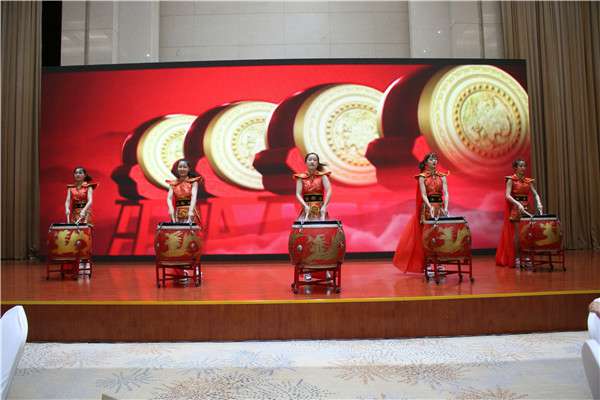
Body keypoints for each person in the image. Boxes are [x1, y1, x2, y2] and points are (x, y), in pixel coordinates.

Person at [392, 153, 449, 274]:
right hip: (428, 209)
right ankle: (427, 263)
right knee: (428, 236)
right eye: (431, 159)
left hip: (440, 208)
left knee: (440, 235)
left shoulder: (442, 176)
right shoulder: (422, 177)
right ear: (426, 162)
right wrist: (429, 206)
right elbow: (423, 194)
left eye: (435, 159)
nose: (434, 161)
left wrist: (446, 207)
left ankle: (439, 263)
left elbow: (446, 193)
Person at [496, 158, 543, 267]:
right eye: (521, 166)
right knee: (517, 235)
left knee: (527, 233)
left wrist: (539, 202)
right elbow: (507, 195)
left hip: (527, 208)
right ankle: (517, 258)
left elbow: (535, 194)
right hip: (516, 208)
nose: (523, 168)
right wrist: (518, 204)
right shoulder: (511, 180)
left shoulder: (528, 181)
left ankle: (526, 257)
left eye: (524, 166)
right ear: (515, 168)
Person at [293, 152, 332, 281]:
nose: (312, 162)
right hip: (307, 211)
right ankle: (307, 271)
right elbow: (298, 194)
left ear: (317, 162)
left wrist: (325, 206)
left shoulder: (323, 176)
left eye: (315, 160)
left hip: (320, 210)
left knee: (324, 240)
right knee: (306, 241)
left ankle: (326, 269)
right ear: (306, 162)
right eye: (310, 159)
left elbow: (329, 190)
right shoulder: (301, 177)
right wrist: (304, 205)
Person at [166, 159, 203, 224]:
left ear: (188, 169)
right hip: (178, 212)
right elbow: (169, 198)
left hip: (191, 211)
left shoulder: (193, 182)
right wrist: (170, 208)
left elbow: (193, 197)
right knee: (178, 229)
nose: (182, 169)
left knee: (190, 229)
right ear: (177, 169)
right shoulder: (173, 183)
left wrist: (191, 210)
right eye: (180, 167)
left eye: (184, 167)